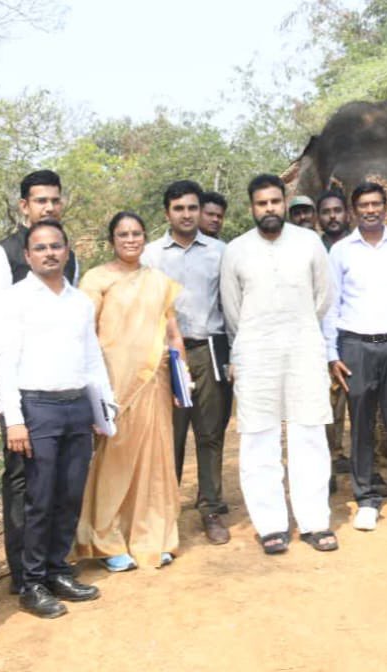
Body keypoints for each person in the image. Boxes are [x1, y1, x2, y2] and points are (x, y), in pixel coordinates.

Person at [0, 220, 108, 618]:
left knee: (69, 495)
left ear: (67, 252)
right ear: (28, 255)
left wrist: (101, 410)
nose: (49, 253)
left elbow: (92, 359)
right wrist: (14, 419)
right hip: (37, 408)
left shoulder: (80, 302)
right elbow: (4, 363)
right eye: (41, 247)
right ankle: (32, 582)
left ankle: (57, 570)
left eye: (56, 246)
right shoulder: (14, 300)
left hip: (77, 406)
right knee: (39, 499)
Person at [220, 174, 338, 555]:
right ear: (251, 208)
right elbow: (232, 310)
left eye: (274, 201)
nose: (269, 208)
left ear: (284, 202)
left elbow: (323, 297)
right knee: (259, 436)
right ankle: (270, 524)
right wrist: (250, 343)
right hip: (255, 351)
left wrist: (299, 326)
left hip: (304, 346)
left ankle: (314, 521)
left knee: (309, 432)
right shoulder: (236, 250)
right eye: (261, 203)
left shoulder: (309, 242)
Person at [0, 169, 78, 596]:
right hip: (17, 385)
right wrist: (11, 404)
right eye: (40, 201)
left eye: (54, 200)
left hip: (61, 386)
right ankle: (24, 574)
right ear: (24, 206)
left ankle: (54, 565)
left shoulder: (66, 253)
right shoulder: (0, 257)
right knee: (23, 476)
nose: (48, 207)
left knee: (60, 477)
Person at [73, 211, 184, 572]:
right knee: (114, 460)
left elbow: (172, 334)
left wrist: (181, 379)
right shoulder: (96, 279)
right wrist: (89, 390)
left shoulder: (158, 281)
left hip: (154, 382)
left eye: (137, 233)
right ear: (112, 240)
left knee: (154, 461)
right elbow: (84, 334)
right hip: (113, 384)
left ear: (145, 238)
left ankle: (152, 535)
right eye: (123, 234)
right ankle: (106, 539)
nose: (131, 239)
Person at [325, 182, 387, 532]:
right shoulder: (341, 252)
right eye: (363, 205)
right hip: (355, 346)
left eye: (376, 204)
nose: (370, 210)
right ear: (354, 211)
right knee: (361, 424)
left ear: (385, 207)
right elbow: (331, 305)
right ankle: (366, 499)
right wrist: (332, 352)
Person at [143, 180, 234, 545]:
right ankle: (166, 513)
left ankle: (210, 508)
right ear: (167, 213)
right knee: (171, 437)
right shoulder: (150, 255)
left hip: (209, 351)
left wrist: (234, 356)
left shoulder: (221, 252)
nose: (186, 215)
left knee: (210, 434)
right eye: (178, 208)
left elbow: (231, 305)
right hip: (167, 358)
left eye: (192, 208)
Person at [317, 190, 354, 474]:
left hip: (356, 334)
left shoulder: (358, 246)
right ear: (319, 217)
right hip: (320, 337)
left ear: (347, 214)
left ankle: (366, 460)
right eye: (326, 212)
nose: (332, 216)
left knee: (361, 399)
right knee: (329, 401)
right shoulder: (312, 248)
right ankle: (332, 456)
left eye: (337, 210)